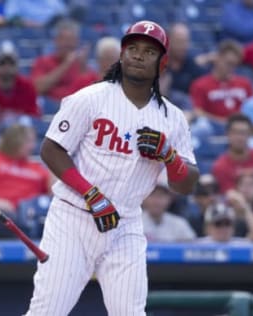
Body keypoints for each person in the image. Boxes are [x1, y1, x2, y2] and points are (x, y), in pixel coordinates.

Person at [24, 20, 199, 315]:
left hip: (126, 224)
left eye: (149, 51)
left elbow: (187, 184)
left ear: (163, 63)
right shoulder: (90, 98)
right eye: (132, 48)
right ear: (121, 54)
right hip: (73, 216)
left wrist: (170, 157)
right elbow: (51, 148)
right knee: (47, 311)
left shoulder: (173, 118)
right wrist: (91, 194)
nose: (139, 55)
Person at [189, 39, 253, 131]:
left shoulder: (245, 83)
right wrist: (224, 123)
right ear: (217, 58)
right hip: (213, 128)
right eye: (228, 63)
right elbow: (198, 112)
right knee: (202, 126)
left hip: (240, 131)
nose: (231, 68)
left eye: (235, 65)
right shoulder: (200, 84)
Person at [30, 18, 97, 102]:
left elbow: (93, 91)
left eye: (72, 40)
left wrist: (83, 68)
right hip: (52, 110)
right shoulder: (43, 62)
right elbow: (37, 88)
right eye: (65, 40)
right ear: (56, 40)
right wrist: (66, 64)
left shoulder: (81, 65)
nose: (68, 44)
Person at [0, 42, 41, 122]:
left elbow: (33, 117)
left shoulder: (27, 86)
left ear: (17, 66)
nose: (7, 68)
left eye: (11, 63)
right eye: (2, 63)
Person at [212, 113, 253, 193]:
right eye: (235, 132)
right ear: (227, 134)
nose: (240, 137)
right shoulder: (220, 166)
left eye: (244, 132)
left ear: (250, 134)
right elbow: (230, 196)